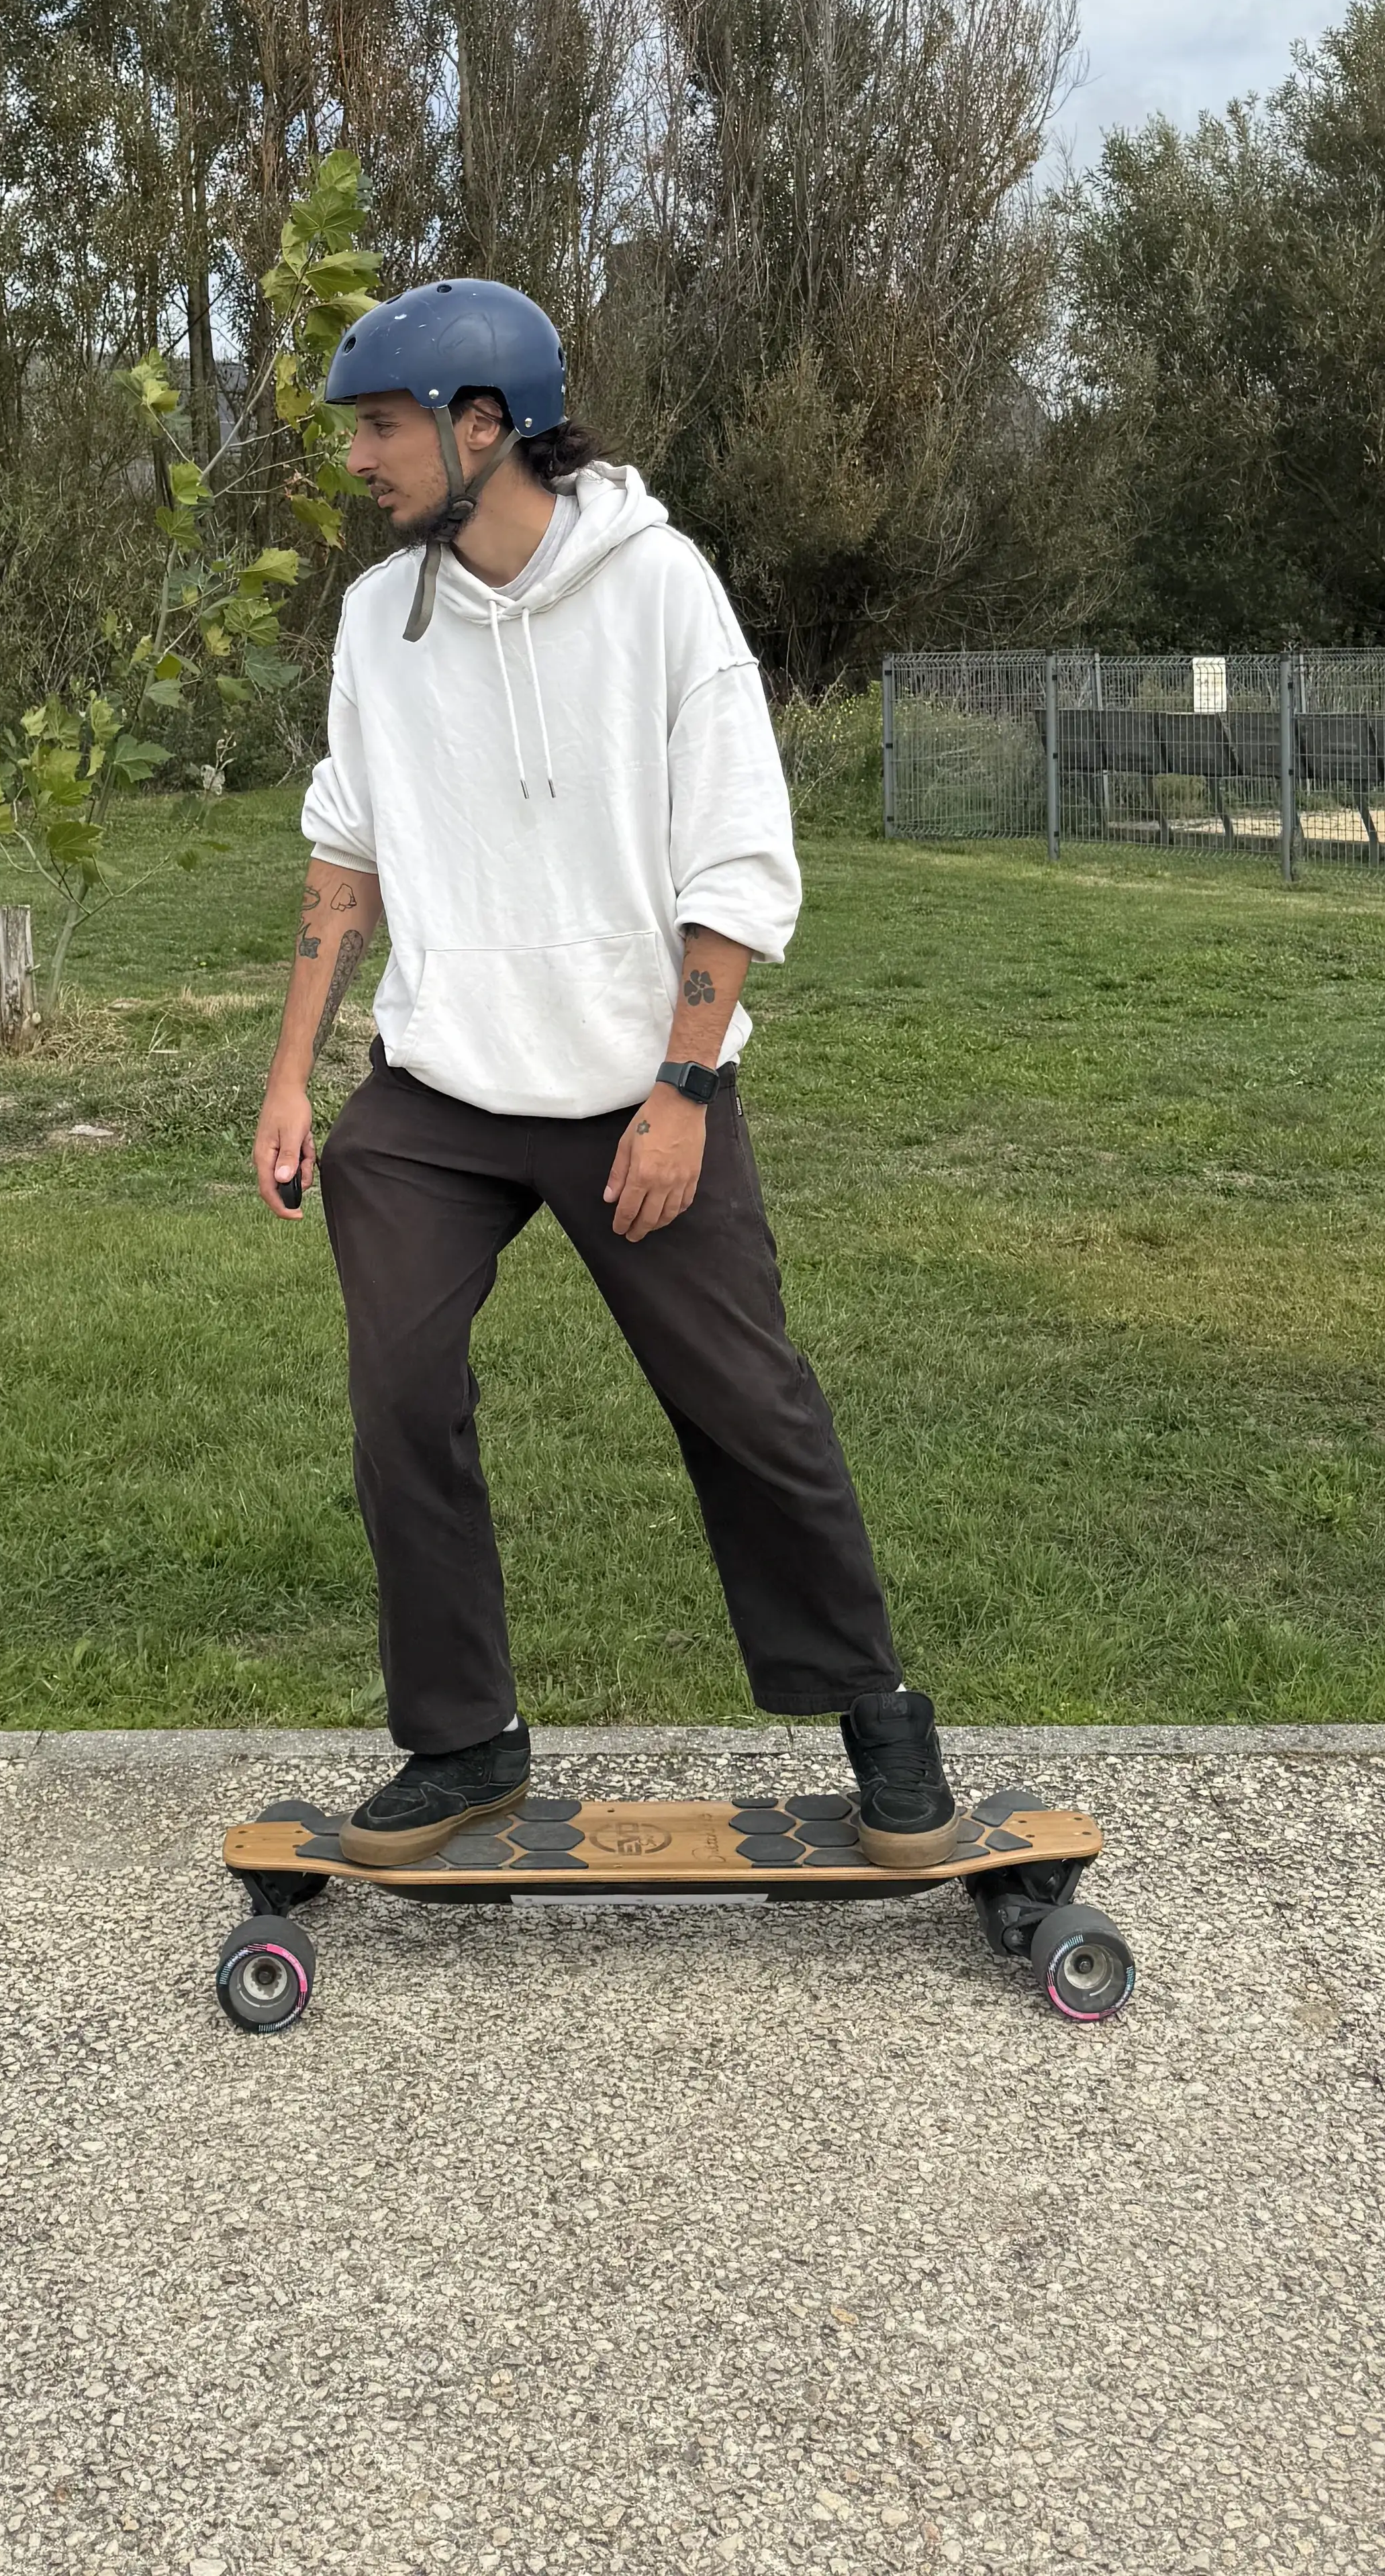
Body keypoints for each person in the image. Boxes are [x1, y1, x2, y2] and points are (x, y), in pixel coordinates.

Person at [250, 275, 961, 1871]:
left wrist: (684, 1091)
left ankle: (880, 1719)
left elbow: (739, 861)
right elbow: (342, 862)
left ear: (481, 426)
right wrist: (294, 1080)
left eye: (379, 429)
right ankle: (464, 1742)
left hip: (638, 1078)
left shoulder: (660, 592)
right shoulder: (382, 621)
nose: (358, 461)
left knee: (744, 1399)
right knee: (399, 1395)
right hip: (442, 1093)